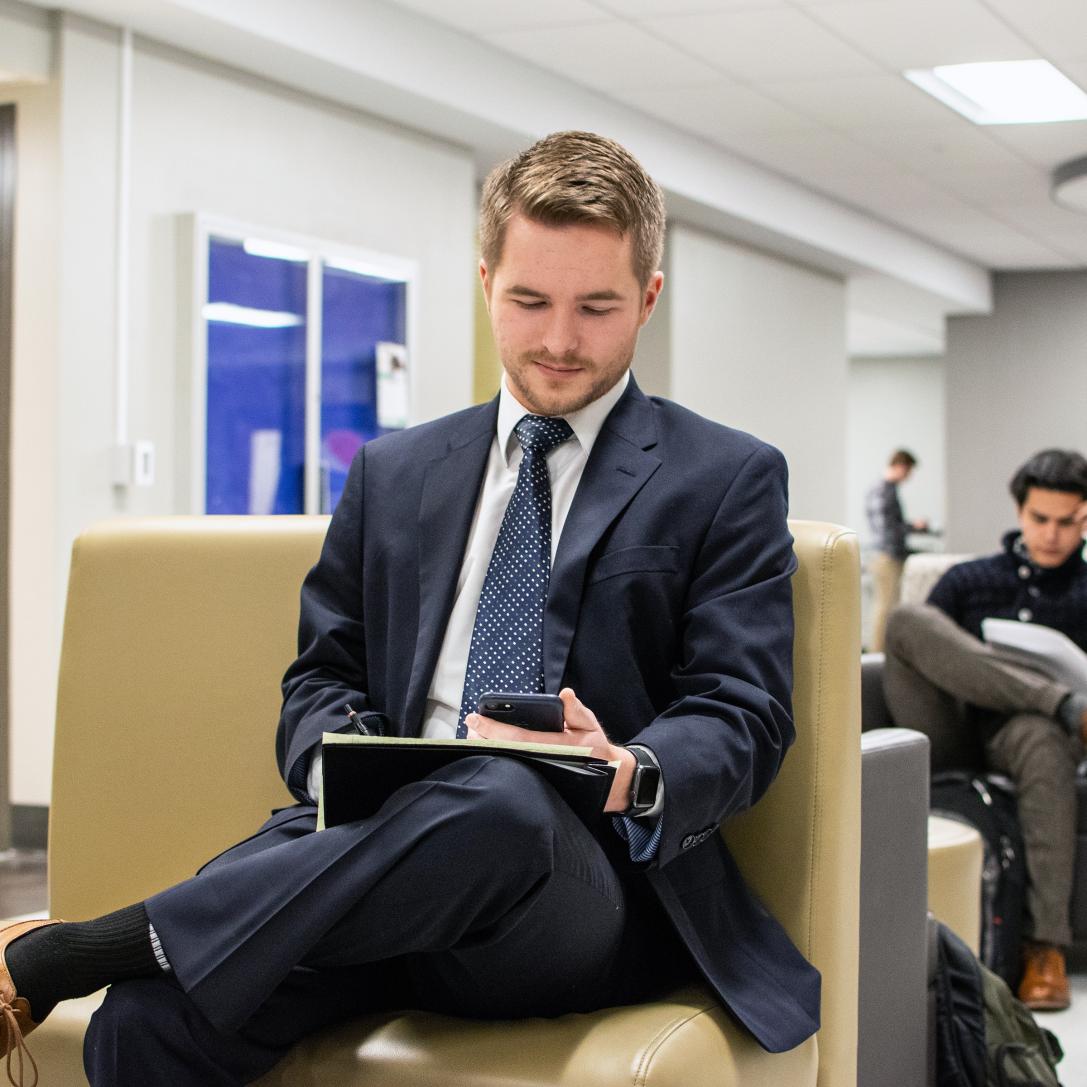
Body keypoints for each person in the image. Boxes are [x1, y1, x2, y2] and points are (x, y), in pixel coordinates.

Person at [0, 131, 818, 1085]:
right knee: (151, 1019)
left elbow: (742, 711)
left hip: (573, 887)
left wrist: (628, 766)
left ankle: (80, 950)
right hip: (382, 860)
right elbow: (321, 675)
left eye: (596, 306)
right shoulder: (395, 472)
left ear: (647, 297)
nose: (559, 339)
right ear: (484, 284)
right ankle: (134, 962)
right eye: (528, 300)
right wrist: (340, 762)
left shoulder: (723, 476)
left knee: (505, 799)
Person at [882, 448, 1087, 1011]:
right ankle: (1062, 703)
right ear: (1020, 513)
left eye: (1067, 522)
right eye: (1040, 519)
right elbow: (926, 651)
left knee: (1041, 736)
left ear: (1085, 518)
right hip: (952, 724)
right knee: (907, 619)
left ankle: (1045, 949)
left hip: (1036, 742)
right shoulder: (970, 581)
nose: (1051, 534)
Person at [865, 448, 929, 652]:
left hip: (884, 554)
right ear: (901, 466)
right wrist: (913, 528)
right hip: (887, 556)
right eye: (909, 472)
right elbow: (890, 529)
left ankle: (880, 652)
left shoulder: (880, 488)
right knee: (885, 608)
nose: (908, 477)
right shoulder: (885, 491)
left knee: (885, 606)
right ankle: (878, 653)